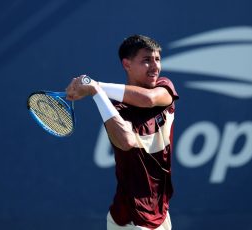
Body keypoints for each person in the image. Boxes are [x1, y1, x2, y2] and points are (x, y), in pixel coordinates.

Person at [65, 35, 179, 230]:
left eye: (157, 59)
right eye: (146, 60)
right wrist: (97, 95)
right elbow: (126, 141)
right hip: (132, 219)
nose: (155, 67)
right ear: (127, 64)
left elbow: (149, 100)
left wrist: (96, 87)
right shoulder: (116, 109)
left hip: (161, 214)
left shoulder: (164, 87)